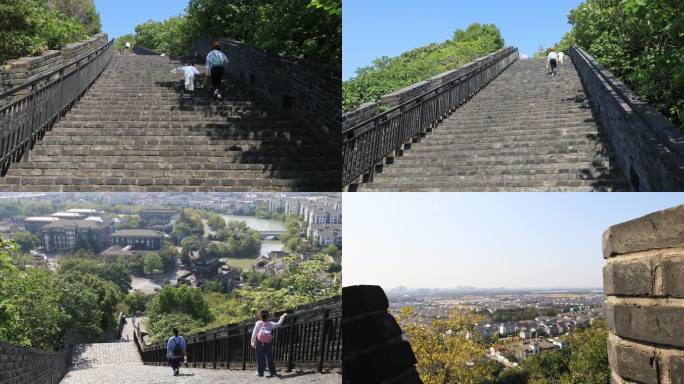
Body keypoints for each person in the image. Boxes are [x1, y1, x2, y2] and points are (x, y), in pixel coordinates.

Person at [251, 310, 287, 377]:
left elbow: (254, 333)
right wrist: (282, 317)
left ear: (260, 316)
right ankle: (272, 372)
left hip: (259, 342)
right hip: (268, 342)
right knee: (270, 357)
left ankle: (260, 373)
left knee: (260, 358)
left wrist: (252, 342)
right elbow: (278, 324)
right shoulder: (270, 323)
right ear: (268, 316)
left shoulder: (258, 323)